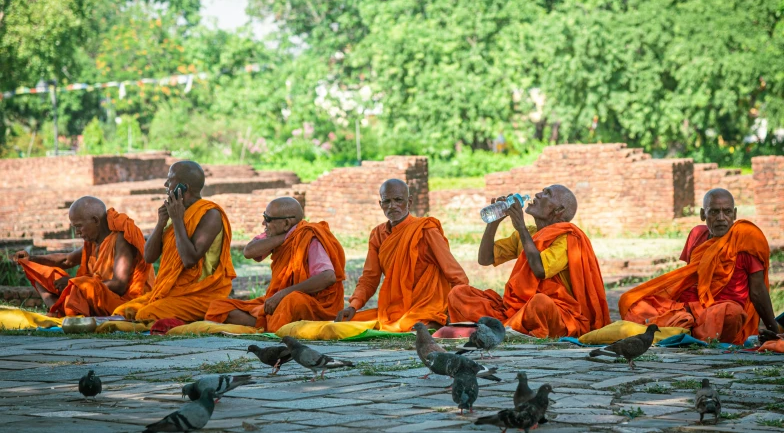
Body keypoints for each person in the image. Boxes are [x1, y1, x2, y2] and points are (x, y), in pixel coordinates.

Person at [447, 185, 609, 338]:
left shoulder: (565, 238)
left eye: (547, 194)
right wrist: (493, 223)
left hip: (553, 312)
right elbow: (485, 258)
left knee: (540, 302)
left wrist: (521, 227)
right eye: (542, 191)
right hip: (517, 309)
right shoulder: (528, 234)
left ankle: (503, 328)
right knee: (459, 293)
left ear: (559, 210)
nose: (538, 194)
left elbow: (540, 270)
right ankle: (509, 326)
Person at [620, 188, 776, 345]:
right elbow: (688, 279)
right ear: (703, 214)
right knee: (634, 304)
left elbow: (757, 291)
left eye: (727, 211)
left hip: (719, 311)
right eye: (714, 212)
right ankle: (687, 325)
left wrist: (773, 327)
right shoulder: (697, 234)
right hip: (689, 308)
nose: (721, 218)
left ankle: (686, 328)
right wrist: (678, 308)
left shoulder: (745, 241)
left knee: (732, 313)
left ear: (734, 214)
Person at [334, 179, 468, 331]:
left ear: (409, 202)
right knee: (348, 323)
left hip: (428, 304)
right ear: (380, 204)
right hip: (396, 307)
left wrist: (455, 308)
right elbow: (370, 278)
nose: (392, 206)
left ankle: (435, 320)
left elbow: (455, 274)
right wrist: (353, 306)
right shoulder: (377, 234)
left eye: (398, 200)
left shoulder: (426, 230)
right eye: (387, 201)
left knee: (408, 325)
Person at [113, 161, 235, 322]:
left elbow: (189, 260)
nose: (165, 184)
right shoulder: (176, 211)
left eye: (170, 180)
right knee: (122, 311)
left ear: (184, 187)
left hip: (200, 295)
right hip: (170, 293)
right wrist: (161, 222)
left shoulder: (210, 214)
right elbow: (149, 257)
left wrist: (177, 220)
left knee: (146, 315)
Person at [204, 197, 345, 331]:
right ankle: (270, 323)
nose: (263, 223)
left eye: (268, 219)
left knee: (292, 300)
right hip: (280, 301)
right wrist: (287, 237)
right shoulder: (279, 235)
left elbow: (328, 277)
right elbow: (249, 252)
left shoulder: (309, 238)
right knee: (220, 306)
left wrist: (283, 294)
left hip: (311, 304)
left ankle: (272, 323)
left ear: (286, 223)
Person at [12, 196, 154, 317]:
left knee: (83, 286)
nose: (77, 232)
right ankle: (59, 308)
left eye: (79, 226)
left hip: (123, 302)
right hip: (95, 297)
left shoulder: (121, 238)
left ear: (95, 220)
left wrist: (75, 283)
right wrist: (31, 259)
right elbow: (67, 260)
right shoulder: (92, 242)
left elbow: (119, 285)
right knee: (38, 273)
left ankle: (65, 309)